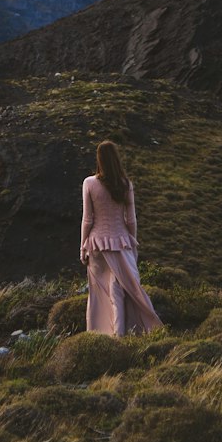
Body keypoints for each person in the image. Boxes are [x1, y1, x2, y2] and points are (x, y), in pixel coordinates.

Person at [80, 140, 161, 336]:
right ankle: (122, 336)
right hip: (122, 242)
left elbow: (87, 219)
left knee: (100, 295)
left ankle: (100, 335)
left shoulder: (89, 183)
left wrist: (83, 246)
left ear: (99, 159)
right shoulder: (125, 184)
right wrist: (132, 243)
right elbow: (131, 220)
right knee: (120, 293)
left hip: (97, 245)